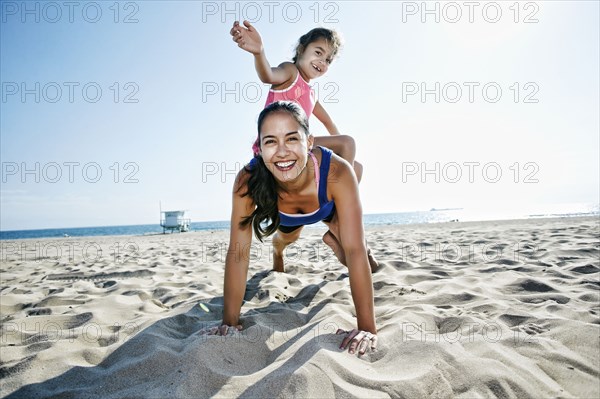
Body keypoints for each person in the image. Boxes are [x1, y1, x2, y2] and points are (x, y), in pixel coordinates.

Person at [212, 101, 378, 356]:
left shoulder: (338, 171)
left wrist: (367, 328)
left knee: (355, 251)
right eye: (270, 142)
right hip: (285, 216)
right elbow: (238, 252)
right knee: (285, 240)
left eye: (291, 139)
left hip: (327, 206)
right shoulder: (247, 178)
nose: (281, 152)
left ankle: (336, 236)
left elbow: (355, 251)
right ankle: (279, 252)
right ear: (260, 148)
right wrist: (229, 322)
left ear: (309, 142)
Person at [230, 20, 364, 182]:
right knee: (347, 143)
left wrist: (341, 155)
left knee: (356, 167)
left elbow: (329, 124)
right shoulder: (291, 72)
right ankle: (338, 192)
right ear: (301, 49)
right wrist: (259, 53)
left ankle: (333, 202)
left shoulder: (312, 95)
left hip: (298, 147)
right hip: (275, 145)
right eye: (318, 53)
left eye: (328, 60)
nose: (322, 62)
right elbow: (268, 76)